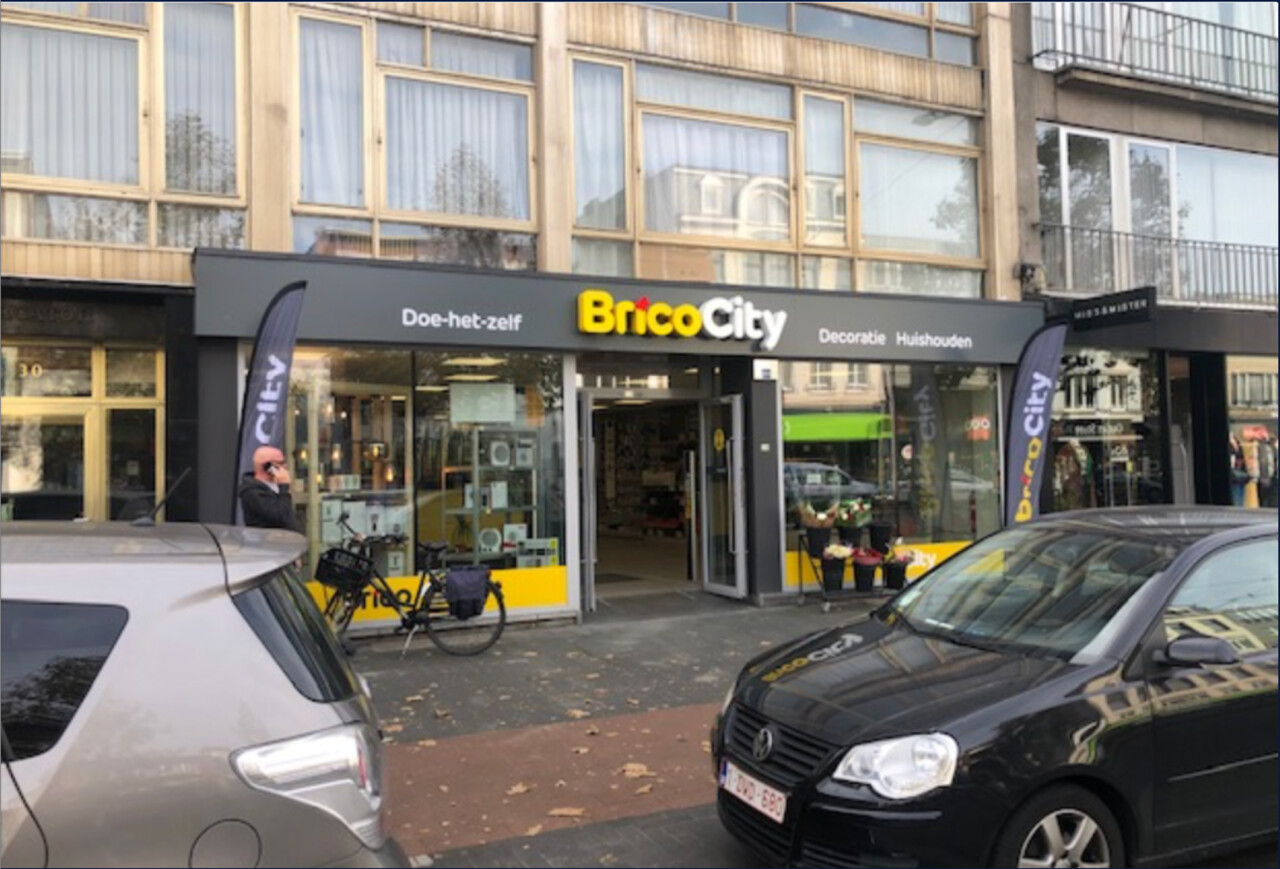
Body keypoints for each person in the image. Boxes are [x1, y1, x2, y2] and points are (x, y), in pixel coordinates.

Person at [238, 445, 301, 531]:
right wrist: (284, 487)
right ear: (267, 466)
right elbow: (280, 515)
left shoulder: (275, 486)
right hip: (269, 537)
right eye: (281, 463)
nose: (285, 466)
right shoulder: (252, 492)